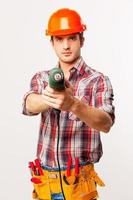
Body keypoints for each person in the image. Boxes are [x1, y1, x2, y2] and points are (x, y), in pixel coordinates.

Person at [23, 8, 115, 200]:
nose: (66, 46)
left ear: (82, 40)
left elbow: (106, 123)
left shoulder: (98, 81)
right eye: (59, 39)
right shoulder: (42, 79)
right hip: (46, 184)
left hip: (79, 185)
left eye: (72, 38)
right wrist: (48, 98)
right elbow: (28, 104)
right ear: (52, 43)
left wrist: (74, 104)